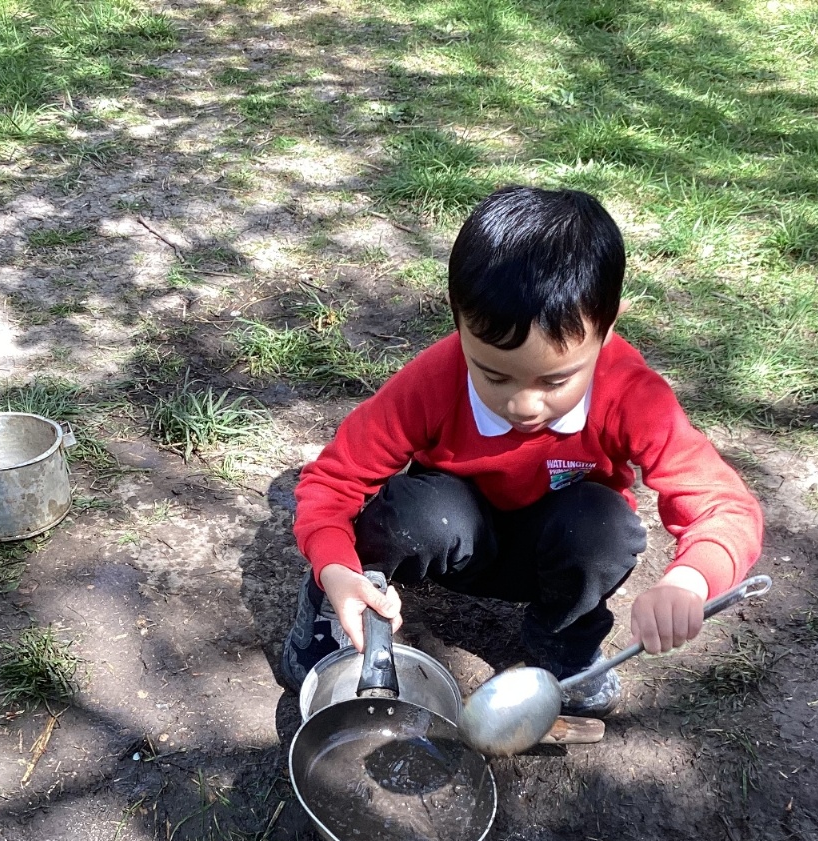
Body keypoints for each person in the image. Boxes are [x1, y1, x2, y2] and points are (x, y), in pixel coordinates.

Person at [277, 185, 764, 716]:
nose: (524, 405)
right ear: (458, 320)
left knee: (605, 529)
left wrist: (691, 579)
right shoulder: (434, 381)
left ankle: (564, 644)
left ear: (607, 327)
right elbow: (333, 482)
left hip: (554, 551)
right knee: (416, 513)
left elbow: (725, 507)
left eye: (556, 380)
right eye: (494, 375)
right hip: (453, 537)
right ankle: (342, 606)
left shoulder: (632, 395)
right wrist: (334, 567)